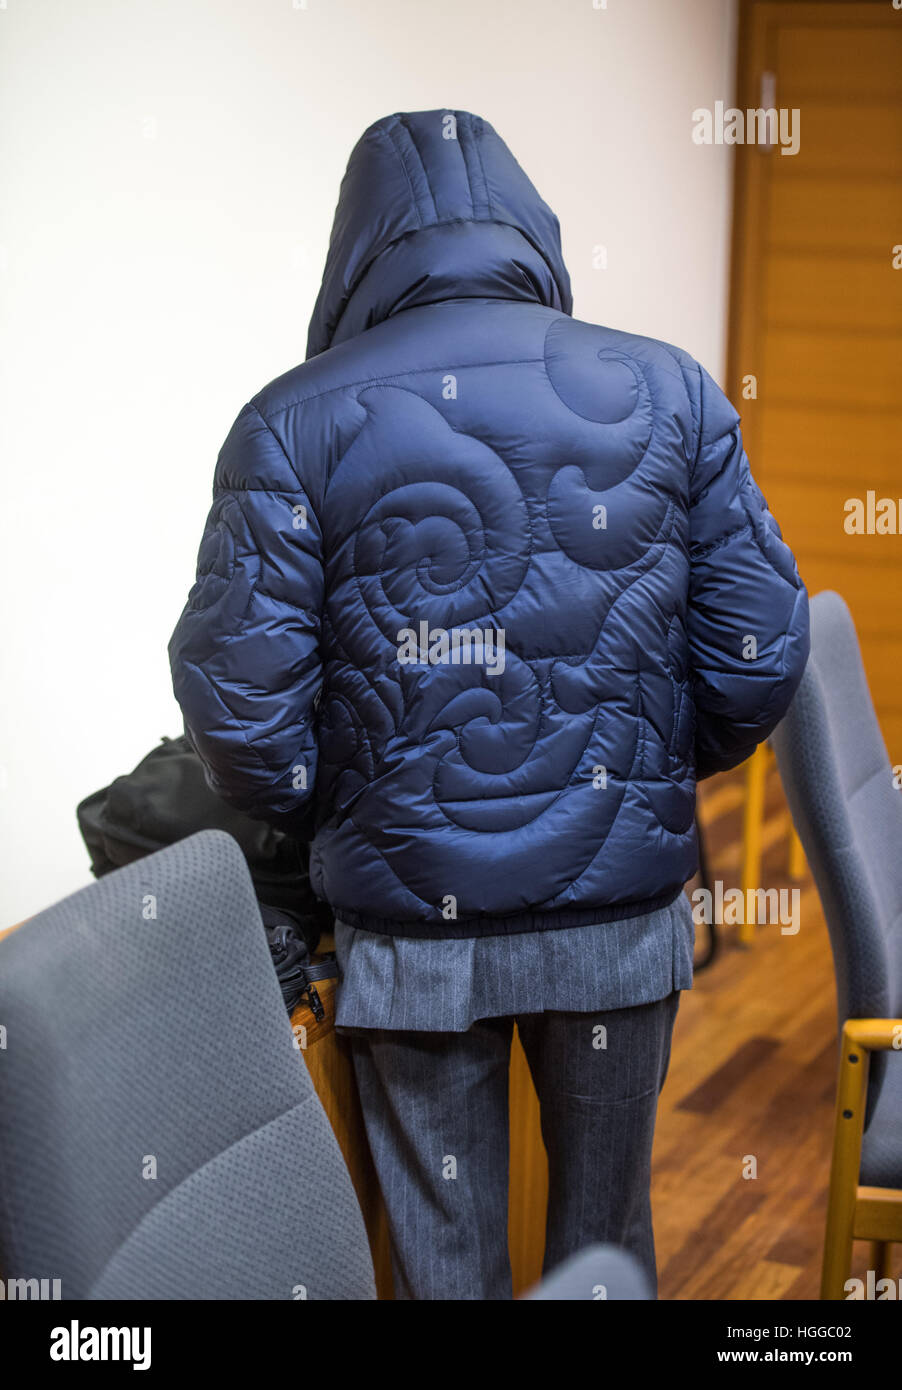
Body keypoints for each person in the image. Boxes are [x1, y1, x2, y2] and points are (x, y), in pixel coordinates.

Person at [169, 109, 809, 1300]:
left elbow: (242, 710)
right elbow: (760, 643)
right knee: (605, 1244)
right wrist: (657, 766)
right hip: (618, 933)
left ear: (352, 250)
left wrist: (339, 815)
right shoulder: (669, 388)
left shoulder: (288, 421)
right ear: (530, 224)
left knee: (440, 1262)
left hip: (411, 945)